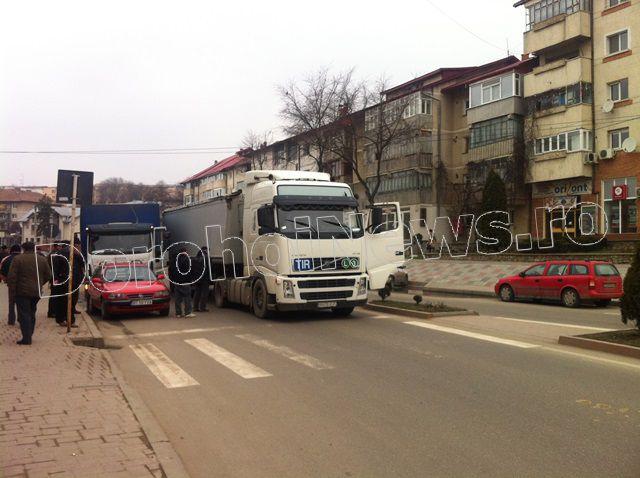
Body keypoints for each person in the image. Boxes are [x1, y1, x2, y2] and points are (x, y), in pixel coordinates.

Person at [6, 242, 52, 345]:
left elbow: (12, 277)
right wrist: (40, 283)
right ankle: (29, 333)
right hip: (36, 292)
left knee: (24, 314)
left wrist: (12, 291)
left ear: (24, 249)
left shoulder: (18, 259)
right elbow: (49, 275)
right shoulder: (42, 259)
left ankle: (26, 338)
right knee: (32, 312)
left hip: (22, 292)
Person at [171, 247, 195, 318]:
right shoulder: (187, 259)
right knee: (187, 297)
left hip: (177, 282)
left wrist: (173, 280)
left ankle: (178, 313)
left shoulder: (175, 260)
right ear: (185, 252)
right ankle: (188, 312)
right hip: (185, 282)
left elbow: (171, 270)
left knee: (177, 298)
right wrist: (190, 280)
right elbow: (190, 270)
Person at [0, 244, 22, 325]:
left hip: (11, 284)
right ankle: (21, 319)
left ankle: (11, 320)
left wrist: (6, 280)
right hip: (22, 284)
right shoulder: (23, 258)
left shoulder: (6, 259)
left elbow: (1, 272)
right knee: (21, 302)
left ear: (11, 250)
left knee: (11, 302)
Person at [192, 246, 210, 312]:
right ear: (206, 250)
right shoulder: (206, 258)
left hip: (197, 279)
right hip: (204, 279)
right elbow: (208, 269)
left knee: (197, 293)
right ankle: (202, 307)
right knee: (204, 293)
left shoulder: (195, 258)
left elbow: (192, 269)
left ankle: (195, 307)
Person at [46, 243, 62, 318]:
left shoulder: (53, 254)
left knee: (54, 294)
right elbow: (53, 267)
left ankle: (52, 311)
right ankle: (52, 312)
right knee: (54, 294)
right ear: (56, 247)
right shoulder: (54, 255)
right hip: (54, 277)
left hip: (53, 277)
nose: (60, 247)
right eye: (59, 246)